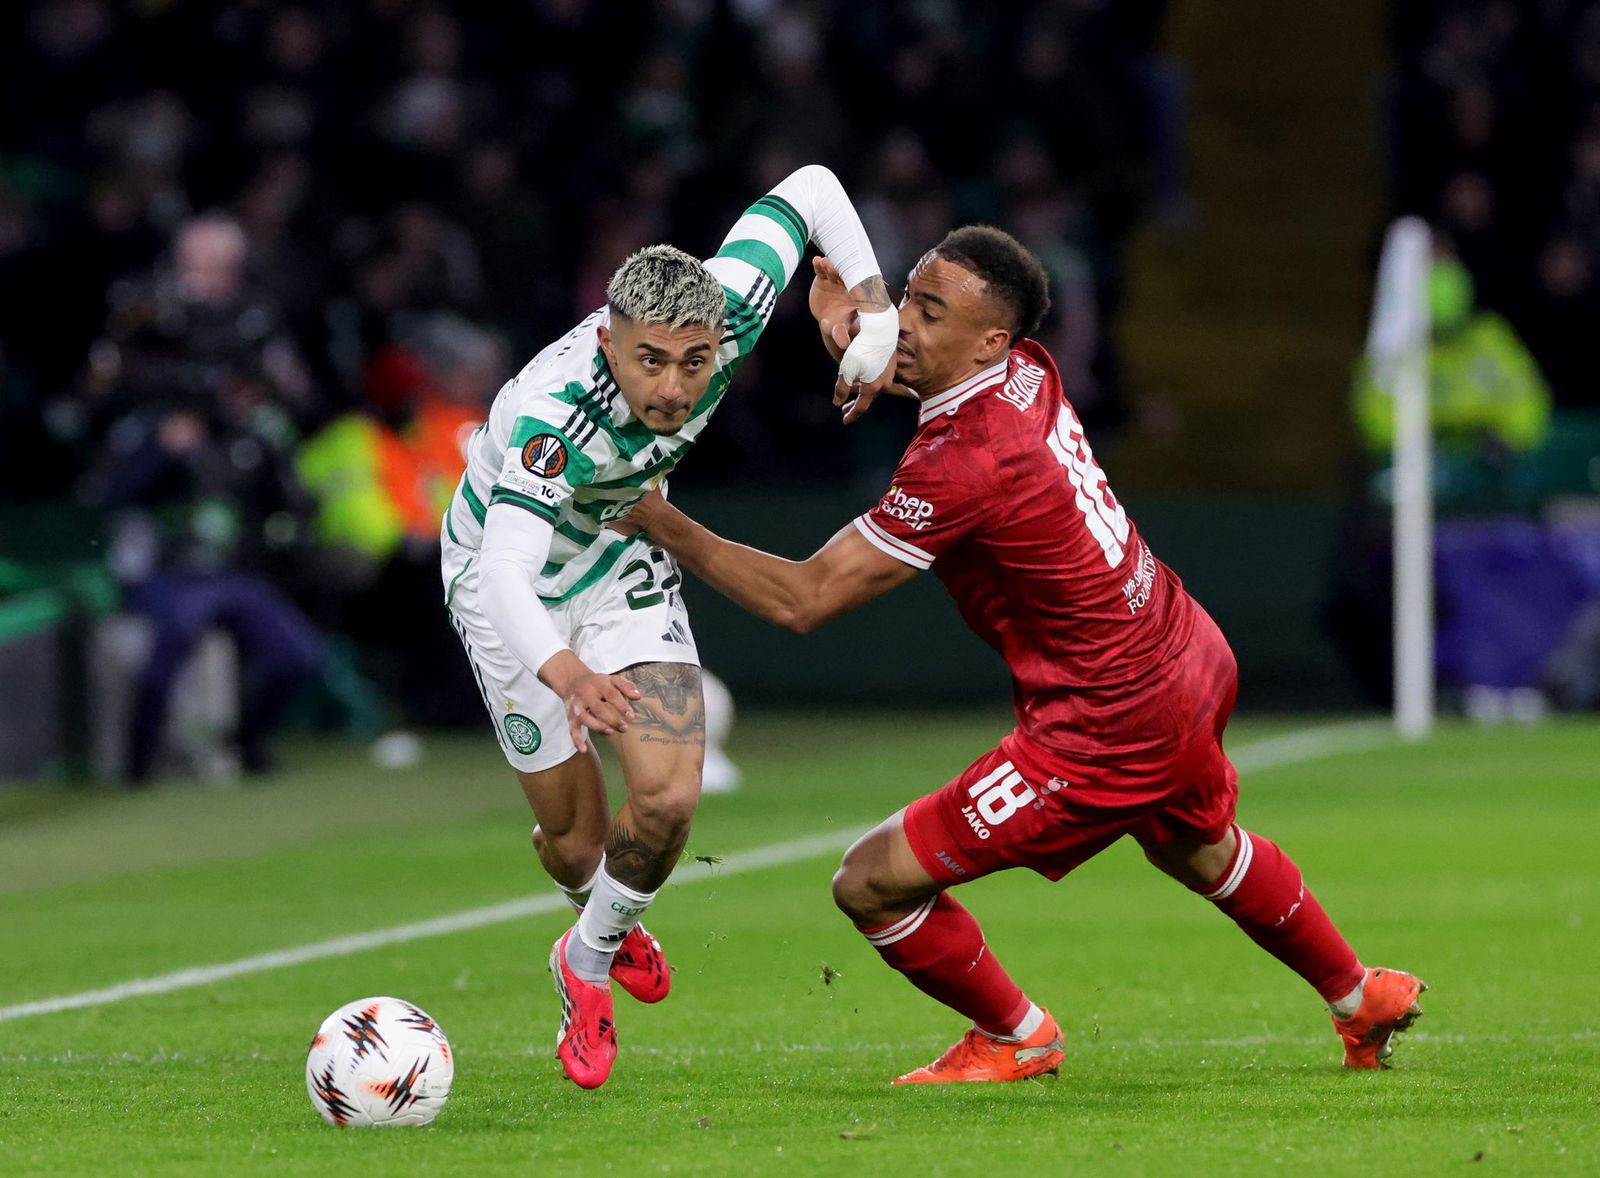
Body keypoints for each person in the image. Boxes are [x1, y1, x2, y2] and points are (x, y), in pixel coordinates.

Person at [625, 226, 1426, 1083]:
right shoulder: (1029, 370)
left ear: (990, 341)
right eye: (909, 297)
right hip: (1185, 651)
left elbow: (805, 598)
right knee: (1199, 848)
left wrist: (658, 518)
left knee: (868, 884)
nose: (906, 320)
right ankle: (1359, 995)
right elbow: (932, 375)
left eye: (930, 312)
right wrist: (858, 339)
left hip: (1110, 719)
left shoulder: (962, 464)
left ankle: (1018, 1035)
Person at [440, 164, 896, 1089]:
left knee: (668, 801)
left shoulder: (732, 305)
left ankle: (586, 959)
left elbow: (812, 189)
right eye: (649, 360)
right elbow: (503, 571)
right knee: (578, 844)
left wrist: (876, 311)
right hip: (508, 585)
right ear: (608, 341)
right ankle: (606, 913)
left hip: (619, 556)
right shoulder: (556, 416)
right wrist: (568, 674)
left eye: (695, 362)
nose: (675, 387)